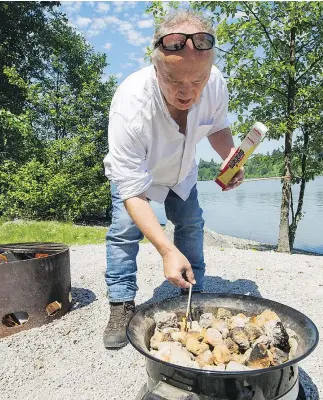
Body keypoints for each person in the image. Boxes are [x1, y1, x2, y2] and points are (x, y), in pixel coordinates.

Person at [101, 10, 244, 349]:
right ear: (157, 67)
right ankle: (121, 304)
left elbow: (219, 126)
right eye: (175, 82)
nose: (188, 92)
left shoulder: (216, 83)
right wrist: (166, 250)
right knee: (124, 232)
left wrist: (229, 157)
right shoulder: (130, 105)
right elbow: (133, 192)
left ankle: (192, 293)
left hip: (181, 172)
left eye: (198, 81)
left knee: (192, 224)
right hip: (139, 178)